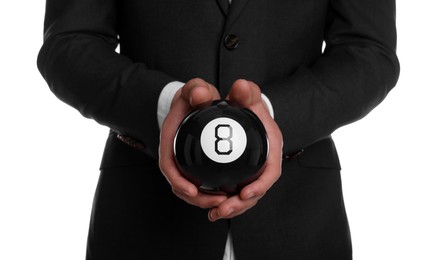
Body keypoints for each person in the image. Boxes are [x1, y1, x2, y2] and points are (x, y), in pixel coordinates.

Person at [37, 0, 400, 259]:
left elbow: (368, 51)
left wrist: (270, 119)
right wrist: (165, 106)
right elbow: (69, 44)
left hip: (300, 222)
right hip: (143, 220)